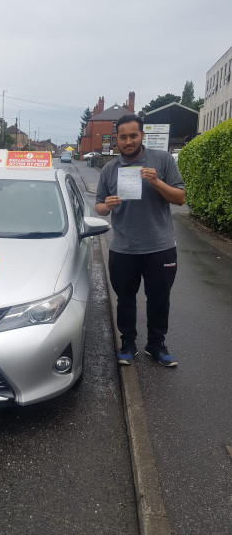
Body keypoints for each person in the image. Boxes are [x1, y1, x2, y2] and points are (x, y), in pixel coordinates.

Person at [95, 114, 185, 367]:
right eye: (123, 137)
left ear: (142, 135)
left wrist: (156, 181)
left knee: (159, 299)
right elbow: (99, 207)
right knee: (125, 299)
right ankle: (128, 343)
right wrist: (107, 206)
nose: (128, 141)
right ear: (117, 139)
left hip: (160, 247)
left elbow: (179, 198)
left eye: (133, 135)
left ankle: (156, 345)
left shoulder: (163, 160)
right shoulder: (110, 169)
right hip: (124, 248)